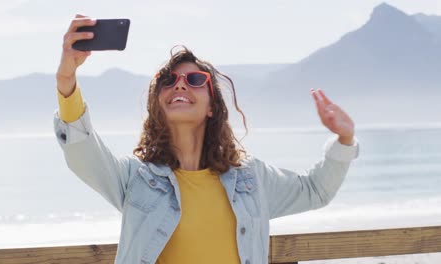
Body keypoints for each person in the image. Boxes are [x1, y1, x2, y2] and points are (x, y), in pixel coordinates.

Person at [54, 15, 359, 264]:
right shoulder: (135, 179)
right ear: (158, 102)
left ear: (212, 106)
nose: (181, 85)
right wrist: (67, 80)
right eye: (169, 80)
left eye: (195, 80)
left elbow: (315, 191)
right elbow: (82, 149)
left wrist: (344, 138)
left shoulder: (250, 179)